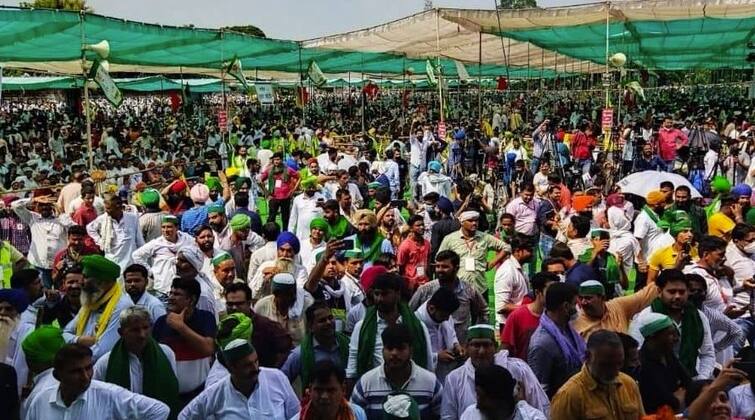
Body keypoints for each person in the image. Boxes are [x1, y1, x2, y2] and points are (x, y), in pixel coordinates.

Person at [23, 343, 170, 420]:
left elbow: (160, 411)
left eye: (88, 368)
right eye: (76, 371)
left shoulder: (109, 395)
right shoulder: (40, 401)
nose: (86, 377)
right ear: (58, 375)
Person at [440, 324, 550, 419]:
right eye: (476, 345)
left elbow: (541, 404)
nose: (482, 351)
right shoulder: (455, 379)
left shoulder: (518, 369)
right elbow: (448, 416)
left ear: (496, 347)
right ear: (467, 348)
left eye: (487, 345)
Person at [178, 338, 300, 420]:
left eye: (256, 361)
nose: (255, 368)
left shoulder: (276, 378)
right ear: (231, 368)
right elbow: (184, 416)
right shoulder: (216, 392)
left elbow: (297, 414)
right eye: (247, 365)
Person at [628, 269, 715, 380]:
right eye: (672, 292)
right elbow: (636, 356)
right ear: (659, 292)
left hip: (692, 379)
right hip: (657, 382)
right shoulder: (645, 318)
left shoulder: (698, 317)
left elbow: (707, 353)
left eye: (682, 292)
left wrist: (701, 379)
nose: (678, 296)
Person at [93, 306, 179, 417]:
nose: (142, 335)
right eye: (135, 330)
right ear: (121, 332)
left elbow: (172, 391)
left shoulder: (166, 354)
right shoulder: (106, 363)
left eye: (145, 328)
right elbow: (96, 398)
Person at [346, 272, 433, 381]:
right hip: (374, 389)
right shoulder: (361, 327)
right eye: (376, 294)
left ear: (398, 294)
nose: (379, 299)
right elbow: (352, 366)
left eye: (385, 294)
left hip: (412, 387)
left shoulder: (417, 326)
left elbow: (429, 364)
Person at [350, 323, 443, 420]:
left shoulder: (431, 383)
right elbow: (352, 416)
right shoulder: (365, 384)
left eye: (400, 348)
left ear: (411, 351)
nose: (394, 353)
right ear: (382, 351)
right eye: (389, 348)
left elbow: (443, 416)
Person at [550, 330, 645, 419]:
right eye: (606, 365)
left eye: (619, 364)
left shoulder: (629, 384)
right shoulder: (569, 396)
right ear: (587, 356)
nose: (615, 372)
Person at [152, 277, 216, 401]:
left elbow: (208, 349)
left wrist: (181, 327)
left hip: (200, 395)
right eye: (171, 293)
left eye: (177, 294)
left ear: (191, 300)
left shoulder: (205, 318)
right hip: (168, 397)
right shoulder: (161, 322)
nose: (170, 297)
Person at [62, 255, 133, 360]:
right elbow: (64, 334)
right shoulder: (91, 302)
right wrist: (78, 340)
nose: (80, 282)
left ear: (105, 283)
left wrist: (72, 360)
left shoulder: (122, 306)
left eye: (86, 277)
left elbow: (103, 351)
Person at [409, 250, 487, 344]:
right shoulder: (425, 290)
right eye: (437, 266)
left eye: (445, 267)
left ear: (456, 268)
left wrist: (474, 337)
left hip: (461, 349)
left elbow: (483, 312)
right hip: (432, 349)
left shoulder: (469, 290)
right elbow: (409, 314)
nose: (440, 270)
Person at [527, 281, 585, 398]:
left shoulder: (568, 330)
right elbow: (539, 391)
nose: (578, 308)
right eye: (575, 304)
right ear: (566, 307)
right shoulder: (542, 344)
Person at [437, 210, 509, 295]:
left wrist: (492, 264)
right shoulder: (450, 239)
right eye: (470, 221)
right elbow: (439, 258)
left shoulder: (485, 237)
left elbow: (506, 247)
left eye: (476, 220)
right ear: (462, 222)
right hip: (458, 288)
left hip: (480, 288)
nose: (474, 223)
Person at [281, 301, 350, 389]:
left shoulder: (348, 345)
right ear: (310, 327)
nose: (328, 322)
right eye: (322, 320)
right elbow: (281, 382)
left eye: (330, 318)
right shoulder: (300, 354)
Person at [11, 193, 75, 288]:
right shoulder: (32, 218)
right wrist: (34, 199)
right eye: (42, 205)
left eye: (47, 206)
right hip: (39, 265)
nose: (44, 208)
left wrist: (60, 212)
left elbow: (75, 229)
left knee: (61, 291)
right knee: (43, 294)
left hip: (59, 265)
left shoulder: (61, 219)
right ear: (37, 207)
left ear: (52, 207)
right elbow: (15, 205)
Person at [223, 283, 293, 368]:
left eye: (239, 304)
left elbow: (288, 350)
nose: (234, 308)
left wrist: (273, 373)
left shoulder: (266, 327)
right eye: (230, 304)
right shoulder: (223, 328)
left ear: (249, 303)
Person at [634, 312, 691, 413]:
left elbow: (688, 382)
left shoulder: (667, 354)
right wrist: (678, 397)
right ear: (653, 336)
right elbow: (670, 402)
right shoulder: (643, 365)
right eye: (670, 334)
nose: (676, 339)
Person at [573, 278, 659, 339]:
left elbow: (645, 295)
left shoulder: (618, 306)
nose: (583, 302)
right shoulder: (576, 323)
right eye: (581, 298)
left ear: (602, 298)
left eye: (588, 298)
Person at [132, 215, 195, 297]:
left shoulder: (187, 240)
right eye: (163, 227)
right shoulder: (157, 243)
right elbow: (136, 255)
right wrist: (150, 272)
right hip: (163, 289)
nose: (166, 230)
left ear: (177, 228)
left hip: (184, 288)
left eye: (169, 227)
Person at [501, 272, 559, 359]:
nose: (555, 295)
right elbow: (505, 349)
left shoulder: (558, 315)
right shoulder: (517, 316)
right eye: (550, 291)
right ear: (538, 292)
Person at [459, 365, 547, 420]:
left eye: (482, 397)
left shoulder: (533, 417)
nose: (478, 405)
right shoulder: (470, 414)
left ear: (500, 399)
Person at [86, 194, 144, 272]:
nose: (106, 211)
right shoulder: (103, 219)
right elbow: (90, 228)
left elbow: (139, 239)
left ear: (118, 206)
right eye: (106, 208)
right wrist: (100, 241)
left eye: (109, 208)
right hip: (112, 260)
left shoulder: (132, 218)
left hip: (129, 261)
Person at [414, 287, 462, 381]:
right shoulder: (416, 325)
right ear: (431, 308)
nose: (447, 319)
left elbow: (452, 334)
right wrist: (436, 357)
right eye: (444, 315)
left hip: (445, 374)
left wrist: (456, 345)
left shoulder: (444, 314)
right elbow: (414, 355)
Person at [254, 272, 314, 345]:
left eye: (293, 293)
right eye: (287, 295)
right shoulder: (262, 306)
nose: (292, 297)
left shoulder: (306, 303)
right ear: (276, 294)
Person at [494, 235, 535, 328]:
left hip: (519, 322)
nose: (532, 254)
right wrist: (529, 308)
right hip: (509, 325)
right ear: (517, 251)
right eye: (529, 251)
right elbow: (502, 306)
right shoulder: (507, 271)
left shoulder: (519, 267)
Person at [647, 210, 695, 284]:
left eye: (691, 231)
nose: (690, 235)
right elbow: (651, 281)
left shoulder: (698, 251)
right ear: (675, 235)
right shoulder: (661, 251)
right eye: (685, 231)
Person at [0, 288, 32, 394]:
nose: (2, 313)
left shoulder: (28, 332)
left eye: (8, 309)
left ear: (18, 312)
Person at [260, 152, 300, 230]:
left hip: (286, 197)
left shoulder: (288, 169)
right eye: (274, 160)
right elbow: (260, 181)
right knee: (271, 217)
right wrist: (266, 192)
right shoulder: (269, 170)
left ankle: (285, 233)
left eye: (278, 159)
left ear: (281, 160)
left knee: (285, 217)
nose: (276, 161)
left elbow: (299, 177)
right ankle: (270, 233)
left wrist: (294, 190)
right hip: (273, 197)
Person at [634, 190, 674, 264]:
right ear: (656, 204)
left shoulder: (656, 215)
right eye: (663, 202)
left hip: (655, 258)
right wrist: (641, 261)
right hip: (646, 260)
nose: (665, 205)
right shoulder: (643, 218)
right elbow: (636, 241)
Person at [396, 215, 430, 291]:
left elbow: (428, 262)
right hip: (411, 286)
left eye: (422, 225)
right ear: (411, 228)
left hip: (425, 283)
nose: (422, 227)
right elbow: (400, 266)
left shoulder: (427, 244)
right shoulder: (405, 245)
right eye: (418, 225)